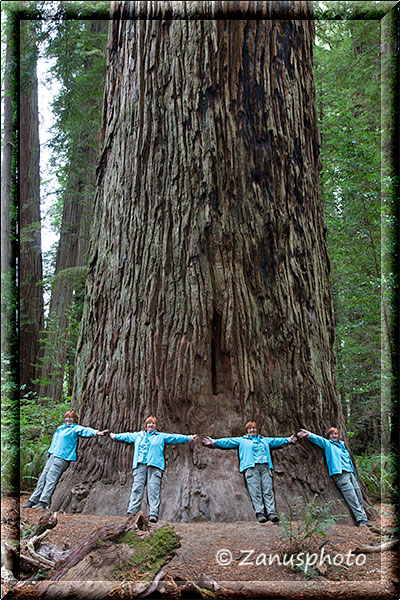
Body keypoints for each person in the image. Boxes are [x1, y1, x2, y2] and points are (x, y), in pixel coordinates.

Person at [202, 422, 297, 523]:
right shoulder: (242, 440)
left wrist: (288, 439)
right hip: (251, 467)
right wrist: (214, 442)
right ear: (246, 431)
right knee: (255, 491)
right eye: (250, 429)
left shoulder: (264, 440)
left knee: (267, 490)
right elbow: (228, 441)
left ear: (257, 430)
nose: (252, 430)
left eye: (254, 428)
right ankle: (260, 513)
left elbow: (275, 441)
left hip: (265, 467)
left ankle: (271, 512)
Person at [109, 416, 198, 522]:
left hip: (155, 465)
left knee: (153, 489)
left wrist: (189, 438)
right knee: (137, 488)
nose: (151, 425)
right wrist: (115, 436)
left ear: (156, 426)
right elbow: (127, 436)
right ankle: (132, 511)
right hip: (140, 464)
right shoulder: (138, 435)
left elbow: (174, 438)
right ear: (146, 425)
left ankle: (153, 513)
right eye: (149, 423)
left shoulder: (160, 436)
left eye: (153, 423)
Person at [23, 410, 108, 510]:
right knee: (43, 478)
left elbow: (86, 430)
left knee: (51, 478)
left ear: (75, 419)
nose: (68, 419)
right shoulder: (61, 428)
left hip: (62, 457)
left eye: (70, 417)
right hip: (52, 455)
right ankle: (33, 500)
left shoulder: (75, 428)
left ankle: (43, 501)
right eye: (66, 417)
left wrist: (97, 432)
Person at [297, 427, 371, 527]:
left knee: (358, 495)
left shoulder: (342, 446)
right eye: (331, 434)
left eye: (336, 434)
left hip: (350, 473)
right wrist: (308, 434)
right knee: (352, 497)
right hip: (340, 474)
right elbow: (319, 440)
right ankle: (361, 520)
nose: (334, 435)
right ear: (328, 436)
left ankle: (364, 518)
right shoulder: (328, 445)